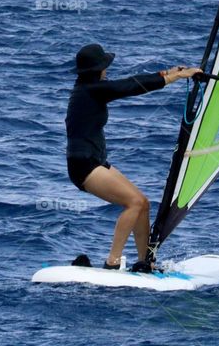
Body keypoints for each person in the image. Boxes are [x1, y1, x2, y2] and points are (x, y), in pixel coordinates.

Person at [65, 43, 200, 273]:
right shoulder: (91, 90)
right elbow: (129, 86)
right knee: (133, 203)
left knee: (143, 203)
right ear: (98, 69)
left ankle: (144, 262)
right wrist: (173, 78)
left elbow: (127, 83)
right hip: (83, 166)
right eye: (105, 66)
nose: (107, 70)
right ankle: (112, 262)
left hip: (95, 161)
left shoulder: (89, 88)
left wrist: (169, 73)